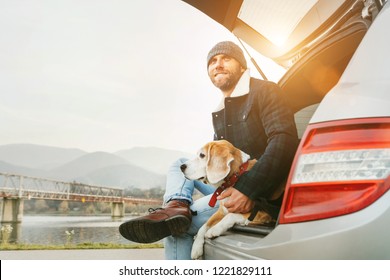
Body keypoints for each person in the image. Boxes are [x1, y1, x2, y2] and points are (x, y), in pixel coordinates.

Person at [119, 41, 299, 259]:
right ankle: (176, 207)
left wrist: (248, 189)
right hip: (227, 184)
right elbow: (217, 166)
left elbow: (284, 141)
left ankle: (177, 219)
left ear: (242, 66)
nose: (218, 64)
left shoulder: (265, 91)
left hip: (260, 186)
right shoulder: (221, 111)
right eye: (212, 61)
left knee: (176, 230)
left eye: (226, 58)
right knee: (179, 165)